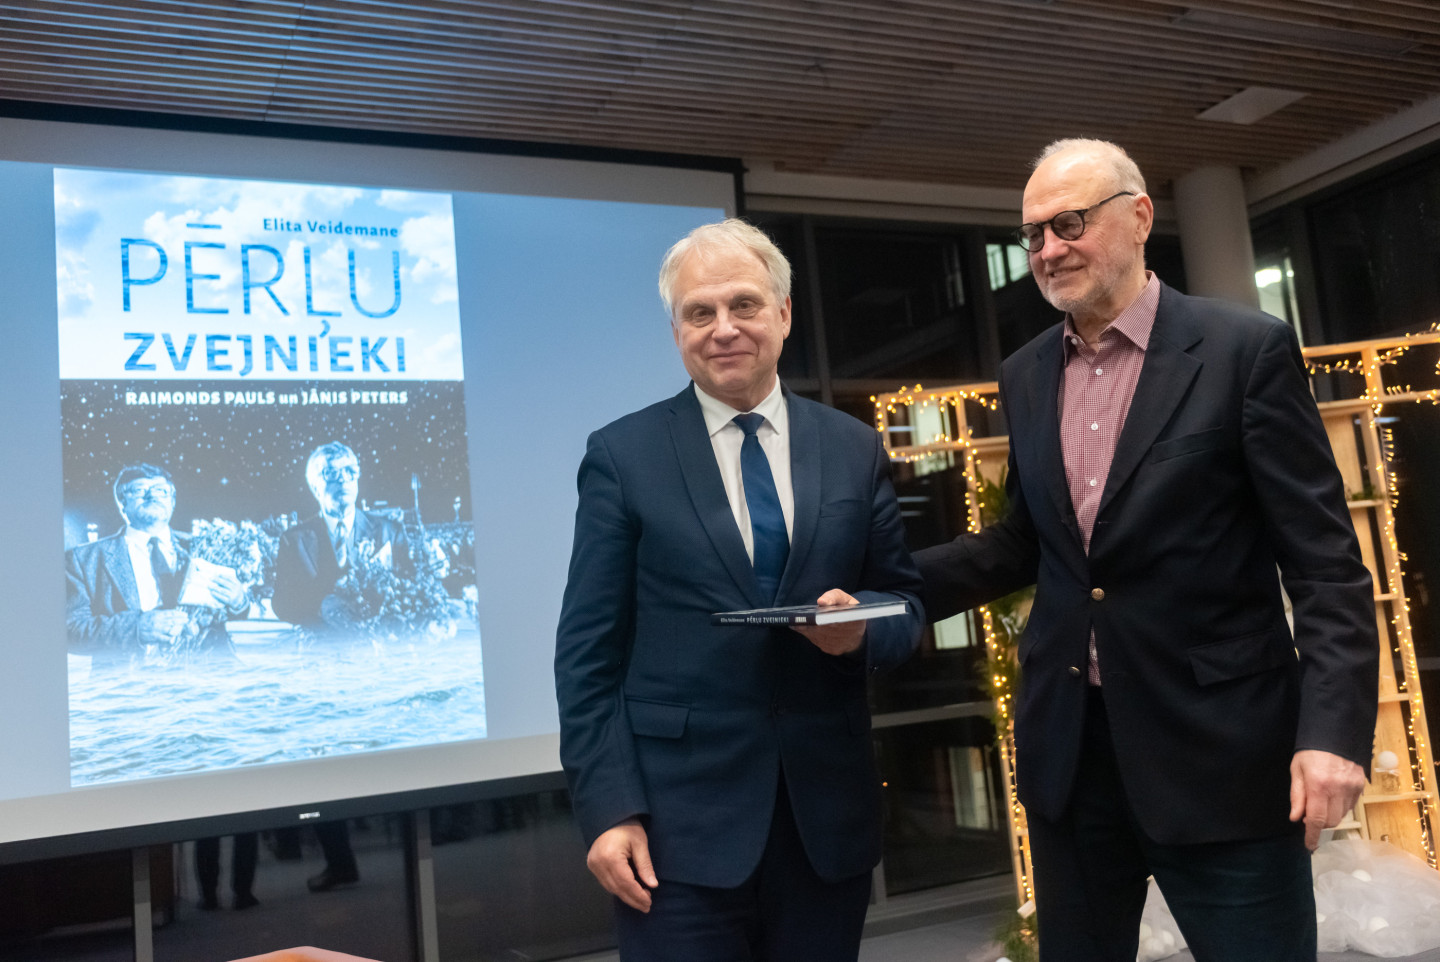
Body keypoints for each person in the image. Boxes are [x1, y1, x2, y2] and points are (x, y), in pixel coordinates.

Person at [913, 139, 1378, 961]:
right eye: (1032, 234)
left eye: (1069, 224)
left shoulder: (1243, 351)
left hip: (1222, 755)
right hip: (1073, 757)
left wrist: (1333, 733)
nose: (1048, 250)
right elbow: (1027, 543)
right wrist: (885, 585)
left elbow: (1324, 566)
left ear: (1138, 218)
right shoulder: (1025, 374)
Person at [554, 218, 924, 962]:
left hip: (825, 827)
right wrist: (609, 810)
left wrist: (862, 630)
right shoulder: (623, 456)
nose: (723, 328)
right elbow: (587, 656)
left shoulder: (852, 447)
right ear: (677, 332)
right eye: (700, 312)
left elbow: (905, 606)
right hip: (673, 838)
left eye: (744, 305)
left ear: (783, 314)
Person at [66, 463, 248, 666]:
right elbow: (70, 631)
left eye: (161, 491)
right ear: (122, 502)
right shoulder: (84, 559)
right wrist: (136, 629)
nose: (152, 496)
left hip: (204, 676)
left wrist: (238, 601)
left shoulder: (204, 547)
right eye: (139, 490)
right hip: (129, 682)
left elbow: (231, 615)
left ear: (172, 501)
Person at [270, 441, 410, 631]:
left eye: (350, 471)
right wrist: (319, 608)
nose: (343, 480)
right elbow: (282, 604)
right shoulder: (294, 541)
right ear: (315, 487)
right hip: (322, 643)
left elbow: (410, 591)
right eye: (331, 473)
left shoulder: (390, 533)